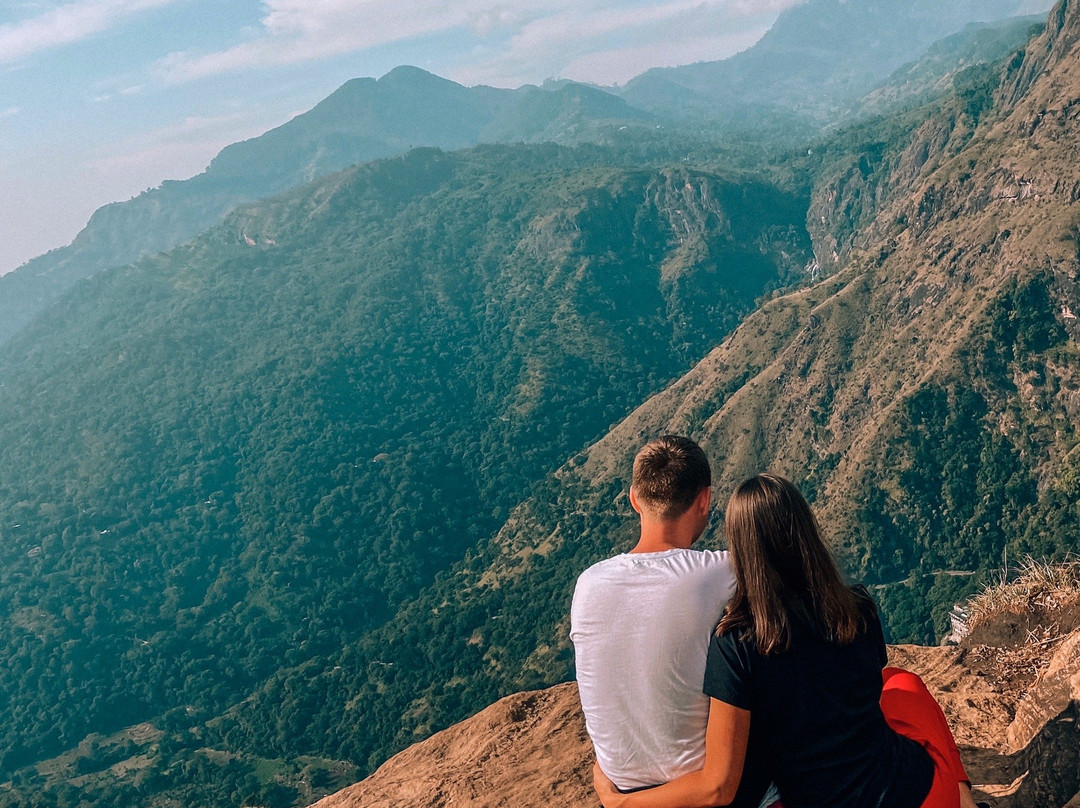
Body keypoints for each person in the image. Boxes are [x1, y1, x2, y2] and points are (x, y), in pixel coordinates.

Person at [593, 473, 979, 808]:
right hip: (924, 795)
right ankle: (963, 799)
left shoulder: (738, 644)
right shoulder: (858, 608)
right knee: (903, 682)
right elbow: (864, 691)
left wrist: (621, 800)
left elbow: (720, 781)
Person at [570, 436, 775, 808]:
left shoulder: (588, 584)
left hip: (619, 788)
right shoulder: (722, 573)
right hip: (705, 792)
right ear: (705, 500)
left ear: (634, 499)